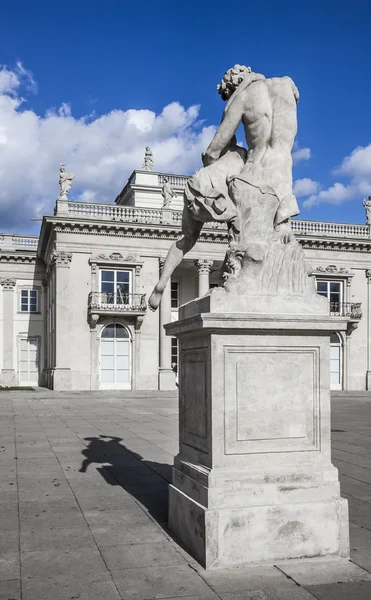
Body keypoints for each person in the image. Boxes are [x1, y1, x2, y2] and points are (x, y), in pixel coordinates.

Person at [148, 65, 300, 311]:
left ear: (232, 85)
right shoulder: (285, 86)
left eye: (227, 92)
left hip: (234, 180)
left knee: (188, 239)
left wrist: (211, 162)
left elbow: (213, 150)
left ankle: (164, 281)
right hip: (279, 175)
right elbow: (283, 148)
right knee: (252, 230)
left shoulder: (240, 100)